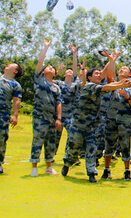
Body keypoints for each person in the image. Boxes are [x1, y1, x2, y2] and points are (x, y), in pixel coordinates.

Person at [61, 56, 131, 183]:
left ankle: (92, 173)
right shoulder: (89, 86)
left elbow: (110, 85)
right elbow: (108, 87)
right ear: (89, 77)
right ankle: (67, 164)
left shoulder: (100, 87)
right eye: (96, 74)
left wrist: (121, 83)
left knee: (91, 149)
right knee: (74, 148)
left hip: (92, 125)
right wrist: (121, 84)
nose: (100, 76)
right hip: (79, 124)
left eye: (100, 74)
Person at [102, 52, 131, 180]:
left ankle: (127, 171)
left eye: (124, 69)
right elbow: (109, 77)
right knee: (109, 144)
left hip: (124, 121)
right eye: (120, 69)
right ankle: (107, 169)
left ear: (129, 74)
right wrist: (112, 60)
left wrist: (127, 97)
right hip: (111, 119)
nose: (121, 70)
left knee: (125, 145)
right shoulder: (114, 85)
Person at [30, 39, 62, 176]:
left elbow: (59, 102)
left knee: (51, 142)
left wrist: (58, 118)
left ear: (55, 74)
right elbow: (39, 63)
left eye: (52, 68)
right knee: (38, 140)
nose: (49, 68)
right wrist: (46, 48)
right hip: (39, 116)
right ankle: (34, 167)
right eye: (47, 67)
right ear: (43, 72)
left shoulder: (56, 87)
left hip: (51, 118)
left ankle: (49, 166)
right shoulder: (39, 80)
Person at [54, 45, 86, 156]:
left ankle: (68, 155)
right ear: (64, 74)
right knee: (55, 137)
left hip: (70, 115)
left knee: (72, 135)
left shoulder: (75, 85)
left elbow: (76, 69)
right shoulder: (59, 84)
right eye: (67, 71)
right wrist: (57, 71)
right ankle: (51, 155)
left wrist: (74, 54)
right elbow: (49, 79)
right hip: (59, 115)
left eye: (71, 71)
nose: (69, 71)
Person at [0, 63, 23, 174]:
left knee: (1, 139)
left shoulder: (15, 85)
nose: (7, 65)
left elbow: (16, 101)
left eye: (11, 65)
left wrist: (15, 115)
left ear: (15, 71)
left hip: (3, 115)